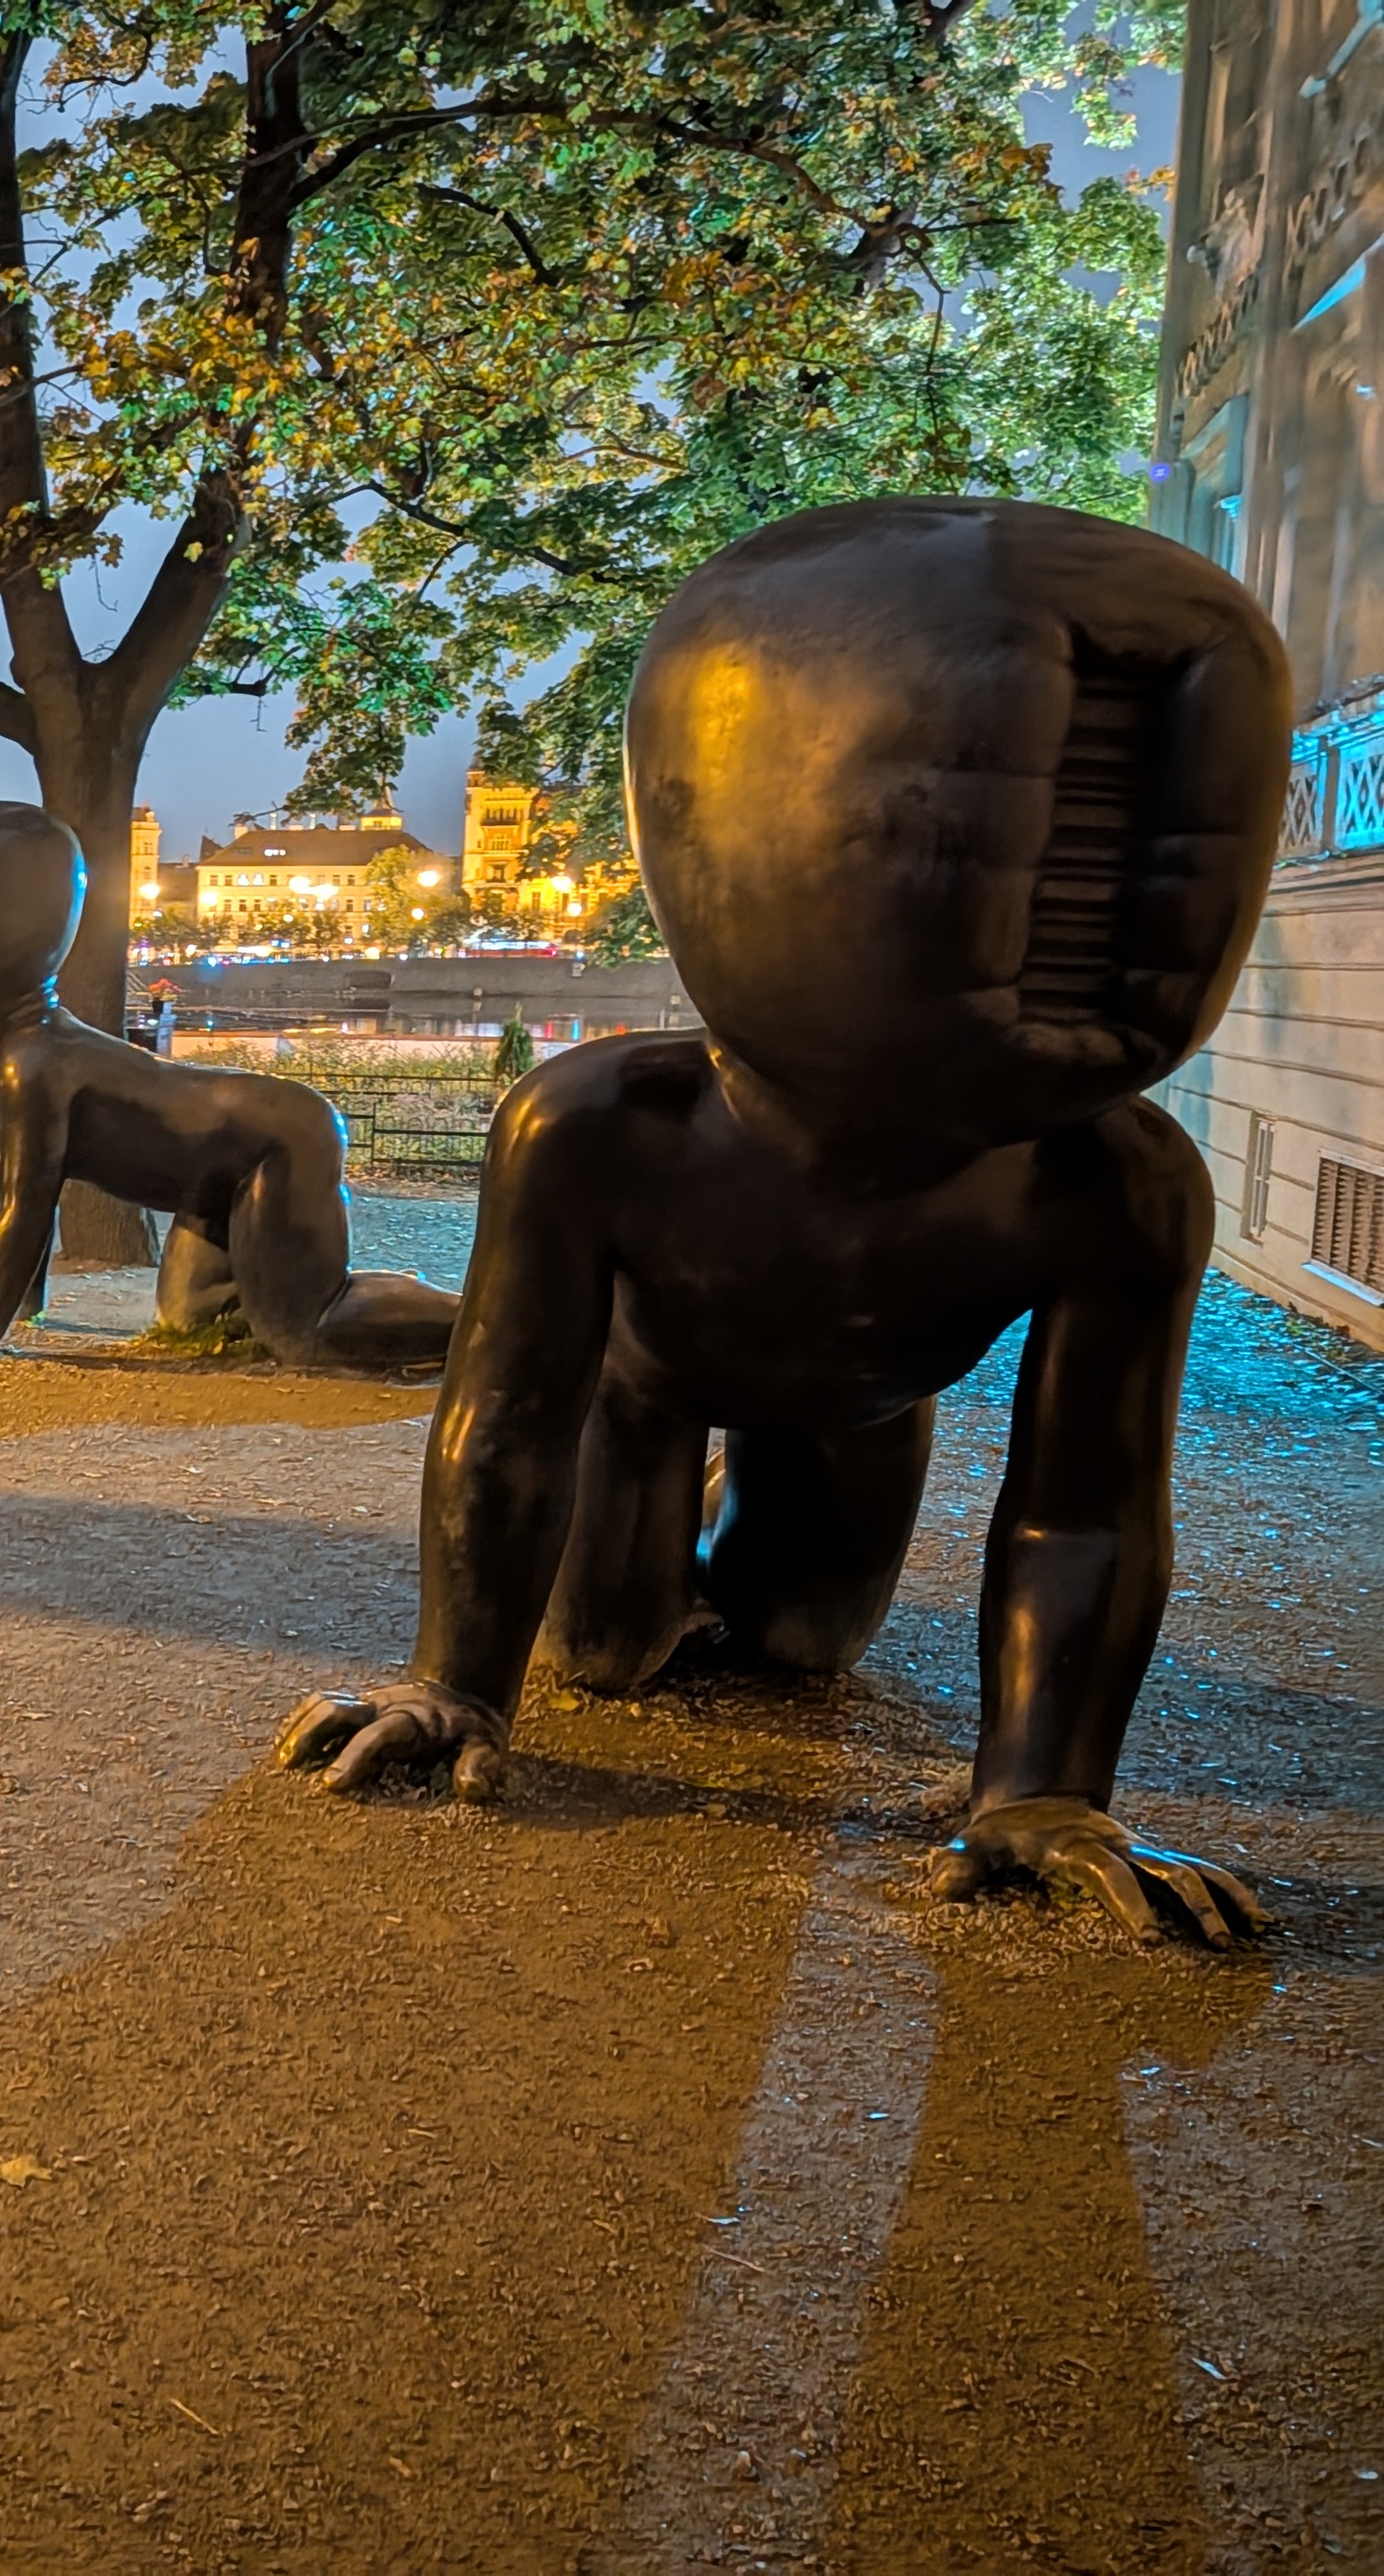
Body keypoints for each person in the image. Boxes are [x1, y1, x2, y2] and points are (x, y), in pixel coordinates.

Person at [277, 498, 1288, 1944]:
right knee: (616, 1651)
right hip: (649, 1375)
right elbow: (507, 1414)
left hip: (865, 1396)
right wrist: (460, 1677)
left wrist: (1044, 1789)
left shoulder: (1115, 1179)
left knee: (800, 1643)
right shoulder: (598, 1126)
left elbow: (1088, 1502)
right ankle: (666, 1487)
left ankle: (729, 1509)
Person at [0, 800, 457, 1369]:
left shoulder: (34, 1067)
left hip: (272, 1139)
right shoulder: (28, 1057)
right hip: (214, 1174)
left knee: (304, 1328)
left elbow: (27, 1207)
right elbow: (34, 1203)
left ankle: (483, 1321)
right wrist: (13, 1310)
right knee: (193, 1318)